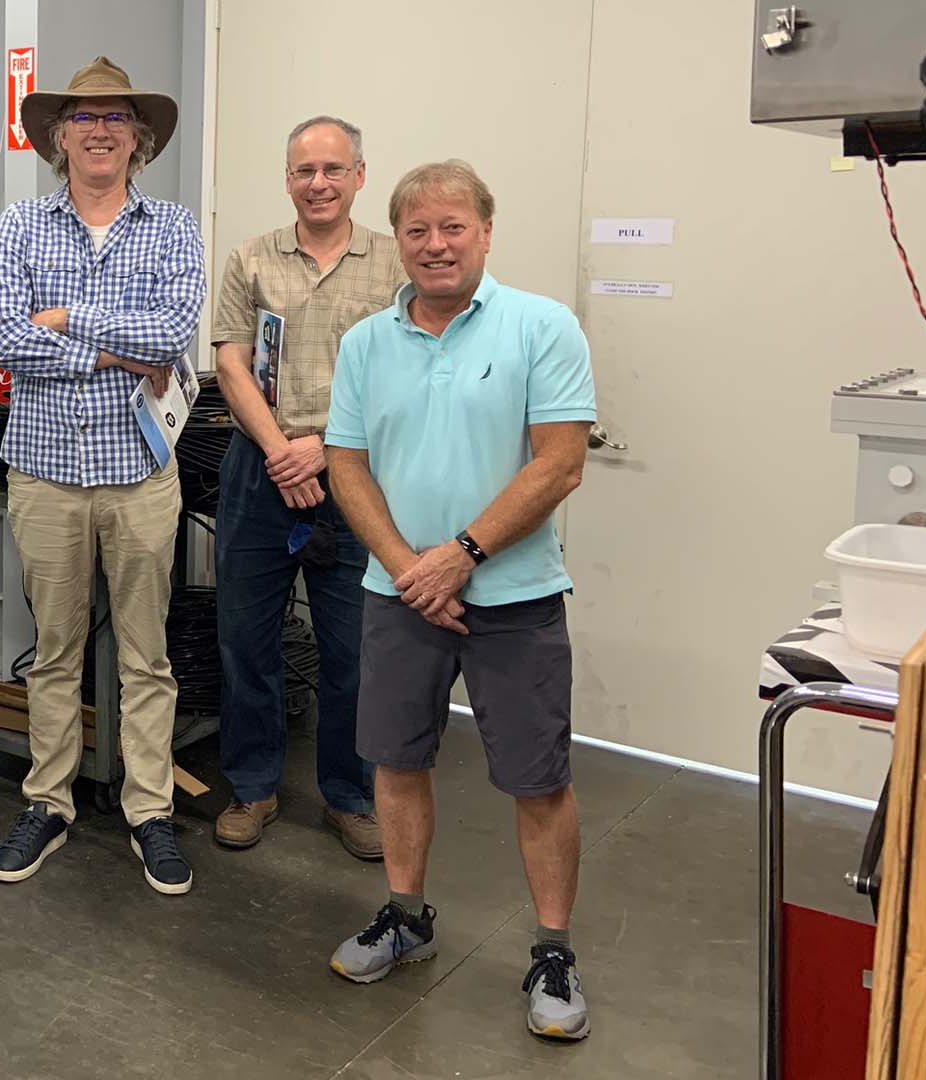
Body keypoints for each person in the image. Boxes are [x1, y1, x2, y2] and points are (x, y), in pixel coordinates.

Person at [321, 160, 597, 1041]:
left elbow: (560, 462)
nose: (434, 245)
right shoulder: (366, 342)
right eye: (416, 231)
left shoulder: (542, 326)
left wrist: (462, 555)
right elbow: (345, 463)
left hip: (513, 596)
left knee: (538, 778)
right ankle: (405, 915)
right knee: (396, 764)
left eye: (452, 228)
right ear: (396, 240)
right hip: (398, 594)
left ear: (485, 231)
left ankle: (553, 950)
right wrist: (410, 567)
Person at [0, 56, 204, 895]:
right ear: (57, 137)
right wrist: (119, 348)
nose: (100, 129)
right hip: (42, 472)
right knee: (54, 653)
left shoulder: (173, 226)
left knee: (148, 657)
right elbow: (1, 338)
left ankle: (150, 811)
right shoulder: (19, 226)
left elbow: (175, 329)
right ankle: (50, 801)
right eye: (83, 117)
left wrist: (69, 317)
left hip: (141, 475)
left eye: (116, 117)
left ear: (138, 137)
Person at [208, 116, 404, 858]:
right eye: (302, 171)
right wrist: (280, 450)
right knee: (244, 641)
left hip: (356, 471)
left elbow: (405, 371)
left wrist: (320, 449)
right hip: (257, 470)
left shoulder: (393, 265)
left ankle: (350, 797)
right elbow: (229, 361)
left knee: (355, 647)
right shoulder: (251, 258)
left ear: (359, 174)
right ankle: (253, 787)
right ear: (287, 179)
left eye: (331, 169)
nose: (316, 184)